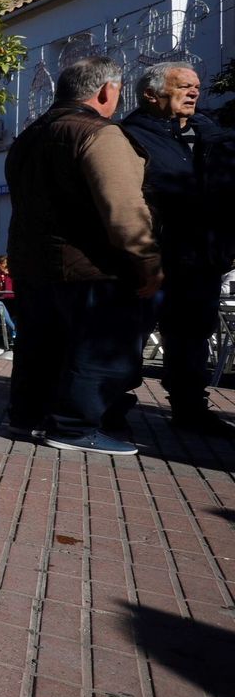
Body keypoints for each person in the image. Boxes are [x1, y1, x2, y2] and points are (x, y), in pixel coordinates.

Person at [5, 56, 161, 454]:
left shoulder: (29, 137)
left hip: (33, 264)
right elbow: (124, 209)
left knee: (39, 348)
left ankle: (26, 418)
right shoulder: (97, 133)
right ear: (106, 90)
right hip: (90, 267)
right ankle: (74, 427)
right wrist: (148, 263)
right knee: (100, 350)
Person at [120, 62, 233, 437]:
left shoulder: (211, 134)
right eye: (183, 86)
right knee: (131, 335)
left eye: (196, 86)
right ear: (152, 94)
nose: (194, 92)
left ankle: (190, 409)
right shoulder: (129, 136)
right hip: (155, 258)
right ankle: (111, 408)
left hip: (202, 258)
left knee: (193, 336)